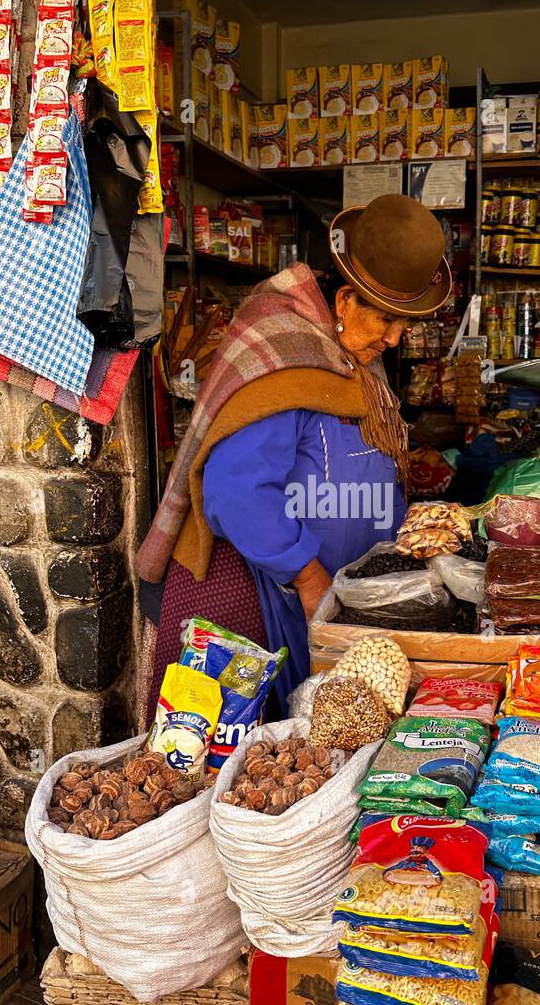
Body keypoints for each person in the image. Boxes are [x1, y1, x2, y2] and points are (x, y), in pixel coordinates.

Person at [137, 193, 451, 711]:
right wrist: (307, 576)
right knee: (251, 765)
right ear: (346, 300)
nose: (395, 340)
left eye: (404, 325)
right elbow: (234, 491)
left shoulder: (352, 365)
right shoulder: (284, 353)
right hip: (259, 608)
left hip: (330, 606)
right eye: (385, 321)